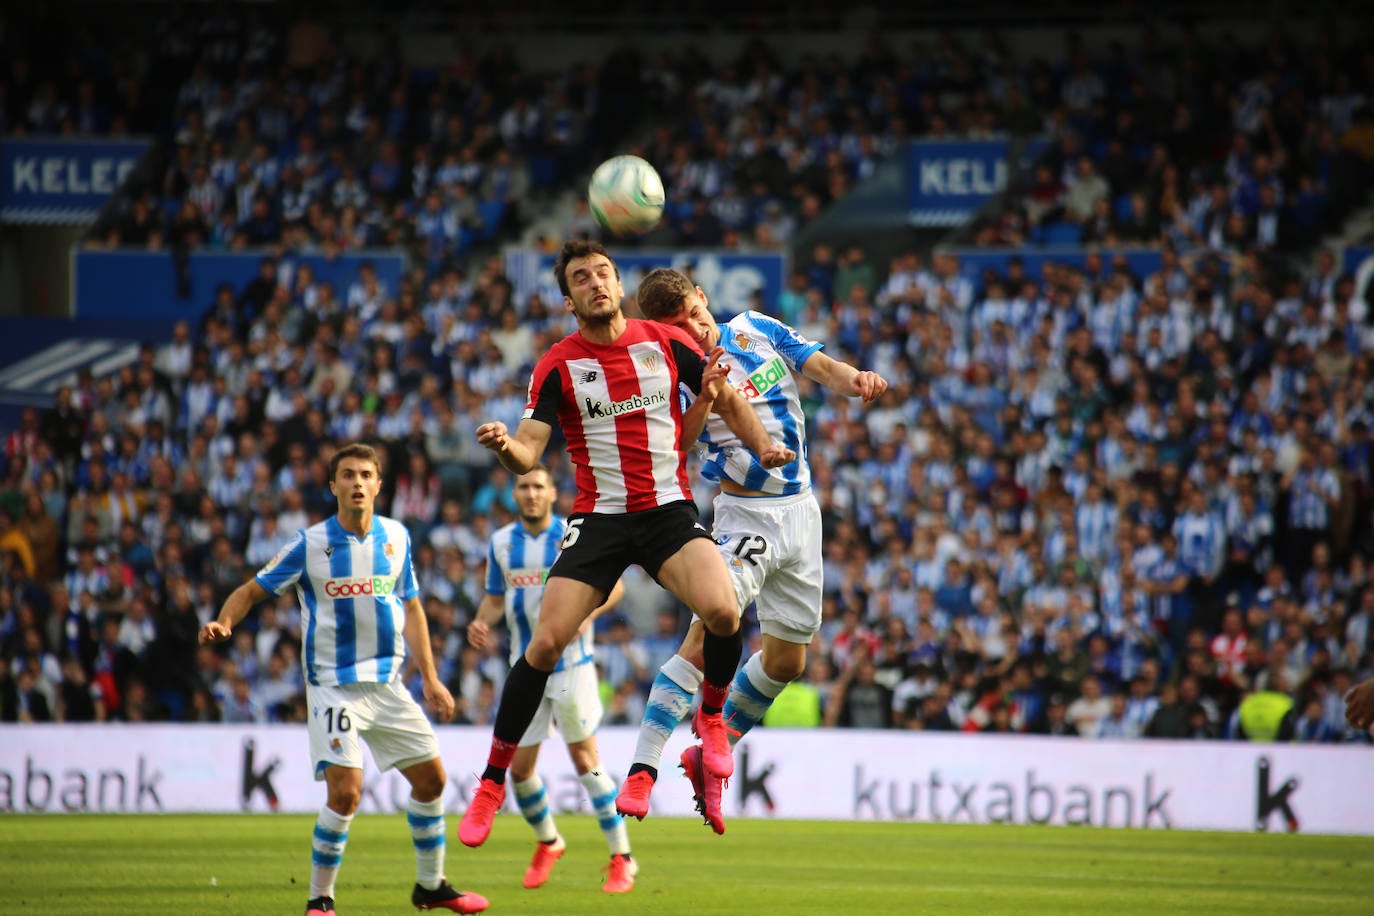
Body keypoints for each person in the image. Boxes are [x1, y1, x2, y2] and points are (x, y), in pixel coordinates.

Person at [458, 240, 795, 850]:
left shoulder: (666, 341)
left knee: (723, 611)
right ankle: (490, 782)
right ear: (568, 299)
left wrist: (761, 446)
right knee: (543, 642)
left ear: (617, 282)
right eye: (582, 278)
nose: (596, 283)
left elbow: (731, 403)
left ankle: (712, 719)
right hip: (601, 519)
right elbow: (531, 449)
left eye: (603, 272)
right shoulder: (557, 364)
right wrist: (507, 446)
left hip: (666, 511)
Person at [616, 266, 887, 834]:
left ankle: (711, 751)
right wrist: (707, 393)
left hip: (802, 511)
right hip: (744, 517)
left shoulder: (754, 328)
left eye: (695, 313)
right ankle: (643, 766)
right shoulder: (671, 373)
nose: (695, 328)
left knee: (789, 660)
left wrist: (856, 378)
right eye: (680, 326)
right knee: (708, 632)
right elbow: (677, 450)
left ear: (704, 298)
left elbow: (819, 366)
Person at [198, 442, 487, 916]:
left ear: (378, 484)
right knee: (346, 792)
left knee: (433, 782)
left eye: (365, 474)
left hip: (389, 686)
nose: (357, 482)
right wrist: (225, 623)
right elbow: (251, 590)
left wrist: (431, 679)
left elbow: (412, 607)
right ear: (333, 486)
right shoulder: (309, 544)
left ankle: (431, 887)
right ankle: (320, 900)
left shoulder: (397, 537)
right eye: (347, 475)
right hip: (333, 686)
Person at [466, 464, 636, 893]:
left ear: (552, 492)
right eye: (523, 486)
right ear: (515, 493)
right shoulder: (501, 543)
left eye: (538, 486)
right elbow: (493, 598)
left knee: (585, 761)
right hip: (524, 671)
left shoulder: (572, 533)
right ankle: (549, 841)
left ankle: (622, 856)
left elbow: (615, 587)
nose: (530, 493)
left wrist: (588, 614)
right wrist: (480, 622)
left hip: (572, 666)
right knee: (521, 772)